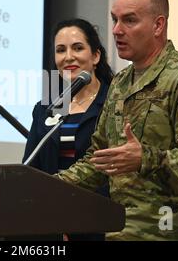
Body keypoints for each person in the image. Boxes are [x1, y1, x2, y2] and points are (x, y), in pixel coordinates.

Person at [57, 0, 178, 241]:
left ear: (158, 25)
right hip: (124, 233)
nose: (116, 30)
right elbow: (100, 158)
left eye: (129, 20)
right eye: (114, 20)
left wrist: (145, 158)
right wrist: (50, 186)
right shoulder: (120, 83)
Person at [22, 18, 114, 240]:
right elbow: (32, 168)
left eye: (78, 48)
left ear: (96, 56)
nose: (68, 57)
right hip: (52, 223)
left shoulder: (115, 101)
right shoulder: (46, 106)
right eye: (60, 50)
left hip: (101, 222)